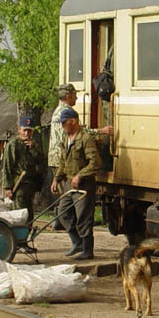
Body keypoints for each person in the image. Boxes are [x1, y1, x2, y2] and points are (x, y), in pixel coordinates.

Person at [49, 106, 101, 260]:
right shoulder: (67, 138)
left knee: (83, 217)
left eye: (65, 122)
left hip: (83, 184)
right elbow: (63, 161)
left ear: (73, 121)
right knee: (63, 213)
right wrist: (56, 178)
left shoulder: (85, 138)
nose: (63, 125)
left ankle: (87, 250)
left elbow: (95, 163)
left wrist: (80, 175)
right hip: (68, 182)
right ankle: (77, 242)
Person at [1, 114, 46, 215]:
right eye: (24, 130)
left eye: (29, 130)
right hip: (18, 184)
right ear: (19, 130)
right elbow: (7, 166)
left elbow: (41, 162)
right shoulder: (13, 145)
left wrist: (33, 148)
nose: (27, 133)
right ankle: (22, 230)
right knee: (20, 212)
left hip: (31, 185)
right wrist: (7, 187)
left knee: (29, 213)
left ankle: (28, 230)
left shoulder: (34, 145)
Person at [48, 83, 78, 191]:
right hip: (63, 160)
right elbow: (77, 132)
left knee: (64, 192)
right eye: (75, 95)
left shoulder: (57, 110)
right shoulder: (68, 112)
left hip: (54, 158)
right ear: (68, 96)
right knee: (69, 192)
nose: (77, 98)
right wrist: (100, 131)